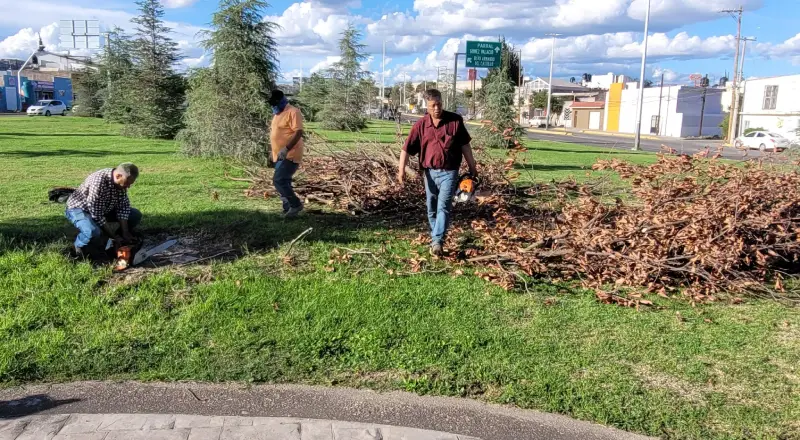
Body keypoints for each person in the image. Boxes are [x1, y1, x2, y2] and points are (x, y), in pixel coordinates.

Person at [398, 89, 478, 256]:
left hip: (449, 172)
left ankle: (437, 241)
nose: (437, 108)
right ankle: (437, 236)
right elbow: (406, 149)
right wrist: (401, 172)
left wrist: (472, 167)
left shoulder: (455, 121)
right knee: (432, 207)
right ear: (426, 106)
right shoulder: (421, 125)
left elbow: (465, 146)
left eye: (439, 104)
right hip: (429, 173)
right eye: (433, 105)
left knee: (444, 207)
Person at [65, 163, 142, 257]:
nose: (128, 186)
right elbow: (97, 215)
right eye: (127, 183)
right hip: (80, 209)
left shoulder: (120, 184)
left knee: (135, 215)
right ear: (118, 176)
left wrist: (125, 232)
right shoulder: (98, 182)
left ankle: (119, 240)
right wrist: (113, 236)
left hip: (103, 208)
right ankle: (77, 249)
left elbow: (123, 207)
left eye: (130, 184)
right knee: (92, 232)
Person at [268, 90, 305, 218]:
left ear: (280, 100)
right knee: (285, 181)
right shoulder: (277, 114)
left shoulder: (293, 112)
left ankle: (296, 205)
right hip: (278, 155)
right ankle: (288, 209)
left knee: (279, 180)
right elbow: (276, 133)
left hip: (291, 153)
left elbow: (298, 132)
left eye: (274, 103)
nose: (273, 106)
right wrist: (273, 151)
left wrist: (286, 148)